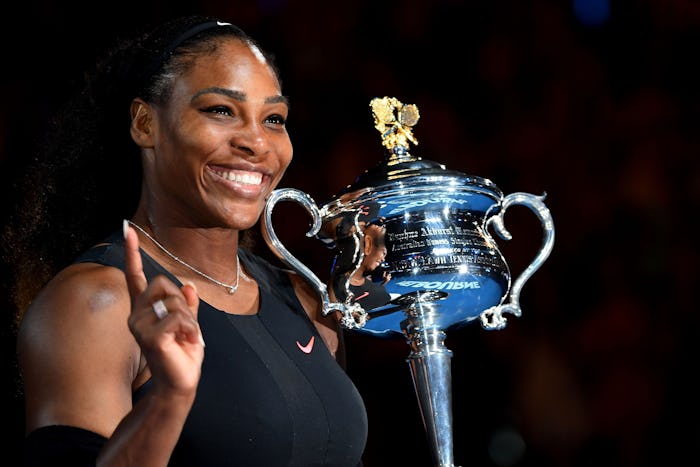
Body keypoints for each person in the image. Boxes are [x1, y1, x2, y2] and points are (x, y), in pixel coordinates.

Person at [4, 15, 368, 466]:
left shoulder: (303, 299)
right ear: (144, 124)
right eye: (220, 110)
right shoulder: (97, 302)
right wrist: (168, 400)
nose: (256, 141)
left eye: (273, 119)